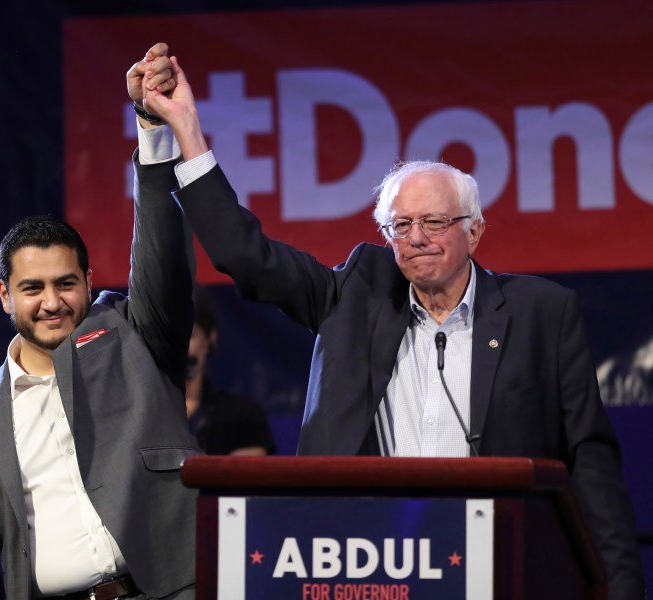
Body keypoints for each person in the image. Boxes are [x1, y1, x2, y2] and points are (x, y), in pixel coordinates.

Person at [128, 44, 646, 598]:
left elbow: (591, 463)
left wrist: (619, 587)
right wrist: (184, 127)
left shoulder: (541, 313)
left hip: (500, 564)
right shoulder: (356, 293)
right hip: (368, 565)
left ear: (474, 232)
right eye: (401, 225)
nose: (416, 237)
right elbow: (242, 252)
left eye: (434, 221)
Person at [0, 55, 201, 599]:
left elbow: (163, 260)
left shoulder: (134, 334)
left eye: (66, 284)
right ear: (4, 295)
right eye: (32, 289)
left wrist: (151, 131)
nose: (52, 303)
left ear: (89, 280)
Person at [186, 287, 276, 455]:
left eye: (189, 336)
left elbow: (245, 478)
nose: (179, 347)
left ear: (210, 338)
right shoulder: (144, 416)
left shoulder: (244, 416)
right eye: (170, 337)